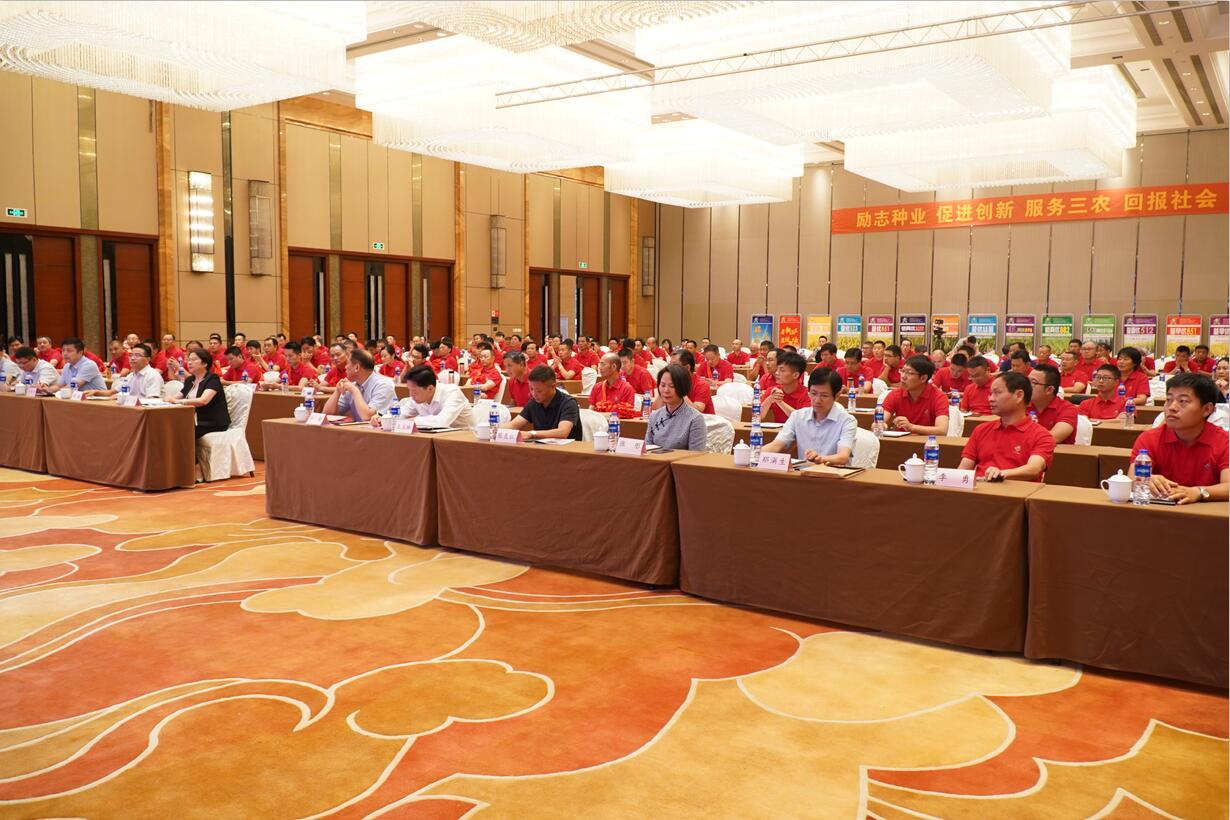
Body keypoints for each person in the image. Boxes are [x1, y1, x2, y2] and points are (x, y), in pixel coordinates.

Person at [1130, 372, 1228, 504]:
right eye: (1169, 400)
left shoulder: (1224, 441)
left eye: (1183, 401)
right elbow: (1132, 478)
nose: (1172, 407)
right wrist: (1146, 480)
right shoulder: (1149, 438)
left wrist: (1199, 492)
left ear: (1207, 409)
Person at [958, 372, 1055, 481]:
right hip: (979, 488)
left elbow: (1034, 469)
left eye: (997, 393)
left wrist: (1001, 474)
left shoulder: (1041, 435)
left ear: (1019, 395)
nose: (990, 399)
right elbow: (963, 469)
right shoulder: (981, 430)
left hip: (1016, 490)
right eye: (990, 393)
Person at [761, 367, 857, 466]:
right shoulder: (797, 416)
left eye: (824, 395)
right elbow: (776, 445)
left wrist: (821, 459)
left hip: (834, 473)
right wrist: (755, 454)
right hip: (804, 472)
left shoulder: (847, 421)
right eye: (813, 393)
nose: (817, 400)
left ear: (837, 396)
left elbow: (842, 457)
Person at [499, 366, 582, 441]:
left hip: (567, 450)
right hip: (541, 448)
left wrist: (531, 433)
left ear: (553, 386)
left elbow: (562, 432)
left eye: (539, 391)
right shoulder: (533, 403)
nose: (534, 394)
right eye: (531, 389)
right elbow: (513, 425)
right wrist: (494, 429)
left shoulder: (568, 403)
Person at [380, 364, 473, 429]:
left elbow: (442, 422)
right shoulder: (416, 398)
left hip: (464, 439)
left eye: (414, 391)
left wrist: (412, 420)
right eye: (409, 390)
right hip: (433, 438)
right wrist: (383, 418)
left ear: (430, 388)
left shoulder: (452, 393)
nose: (411, 395)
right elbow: (401, 415)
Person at [881, 355, 949, 437]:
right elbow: (879, 420)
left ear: (923, 378)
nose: (903, 376)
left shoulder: (939, 397)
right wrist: (880, 425)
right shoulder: (895, 394)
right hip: (901, 442)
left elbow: (942, 430)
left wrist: (912, 427)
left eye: (910, 373)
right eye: (902, 371)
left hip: (928, 442)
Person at [644, 363, 707, 451]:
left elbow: (696, 455)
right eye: (663, 385)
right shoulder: (654, 416)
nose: (666, 390)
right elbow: (647, 449)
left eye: (672, 386)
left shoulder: (695, 419)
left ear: (683, 388)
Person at [169, 349, 230, 438]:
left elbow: (203, 401)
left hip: (213, 422)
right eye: (189, 360)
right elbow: (176, 397)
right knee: (170, 425)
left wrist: (179, 401)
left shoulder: (213, 379)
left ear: (205, 363)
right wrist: (167, 399)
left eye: (194, 360)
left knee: (180, 428)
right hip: (195, 420)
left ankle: (184, 448)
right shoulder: (190, 380)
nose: (189, 363)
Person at [321, 349, 395, 422]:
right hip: (359, 429)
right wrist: (337, 391)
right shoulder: (353, 385)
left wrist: (355, 391)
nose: (345, 367)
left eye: (347, 363)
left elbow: (367, 417)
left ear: (357, 367)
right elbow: (327, 414)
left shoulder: (384, 385)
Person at [85, 343, 163, 400]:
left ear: (148, 360)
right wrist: (95, 392)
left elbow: (152, 400)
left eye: (137, 355)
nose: (132, 358)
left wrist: (124, 398)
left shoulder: (153, 375)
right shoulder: (131, 376)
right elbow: (112, 392)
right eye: (131, 355)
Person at [1028, 364, 1077, 445]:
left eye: (1033, 382)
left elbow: (1054, 437)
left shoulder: (1067, 409)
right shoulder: (1020, 405)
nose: (1026, 386)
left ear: (1049, 390)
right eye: (1027, 381)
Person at [761, 351, 810, 423]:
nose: (777, 373)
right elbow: (757, 417)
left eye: (782, 370)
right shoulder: (773, 391)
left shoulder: (808, 394)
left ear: (795, 375)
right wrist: (770, 399)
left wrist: (780, 402)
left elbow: (801, 421)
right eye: (777, 369)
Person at [589, 352, 638, 417]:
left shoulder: (626, 389)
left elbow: (626, 414)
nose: (600, 368)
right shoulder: (597, 387)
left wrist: (601, 415)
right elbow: (591, 411)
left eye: (603, 364)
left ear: (614, 367)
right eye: (600, 364)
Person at [667, 349, 715, 414]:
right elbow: (655, 409)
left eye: (674, 365)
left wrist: (679, 391)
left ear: (687, 367)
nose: (669, 368)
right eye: (669, 364)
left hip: (702, 419)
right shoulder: (670, 381)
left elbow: (697, 411)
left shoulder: (702, 385)